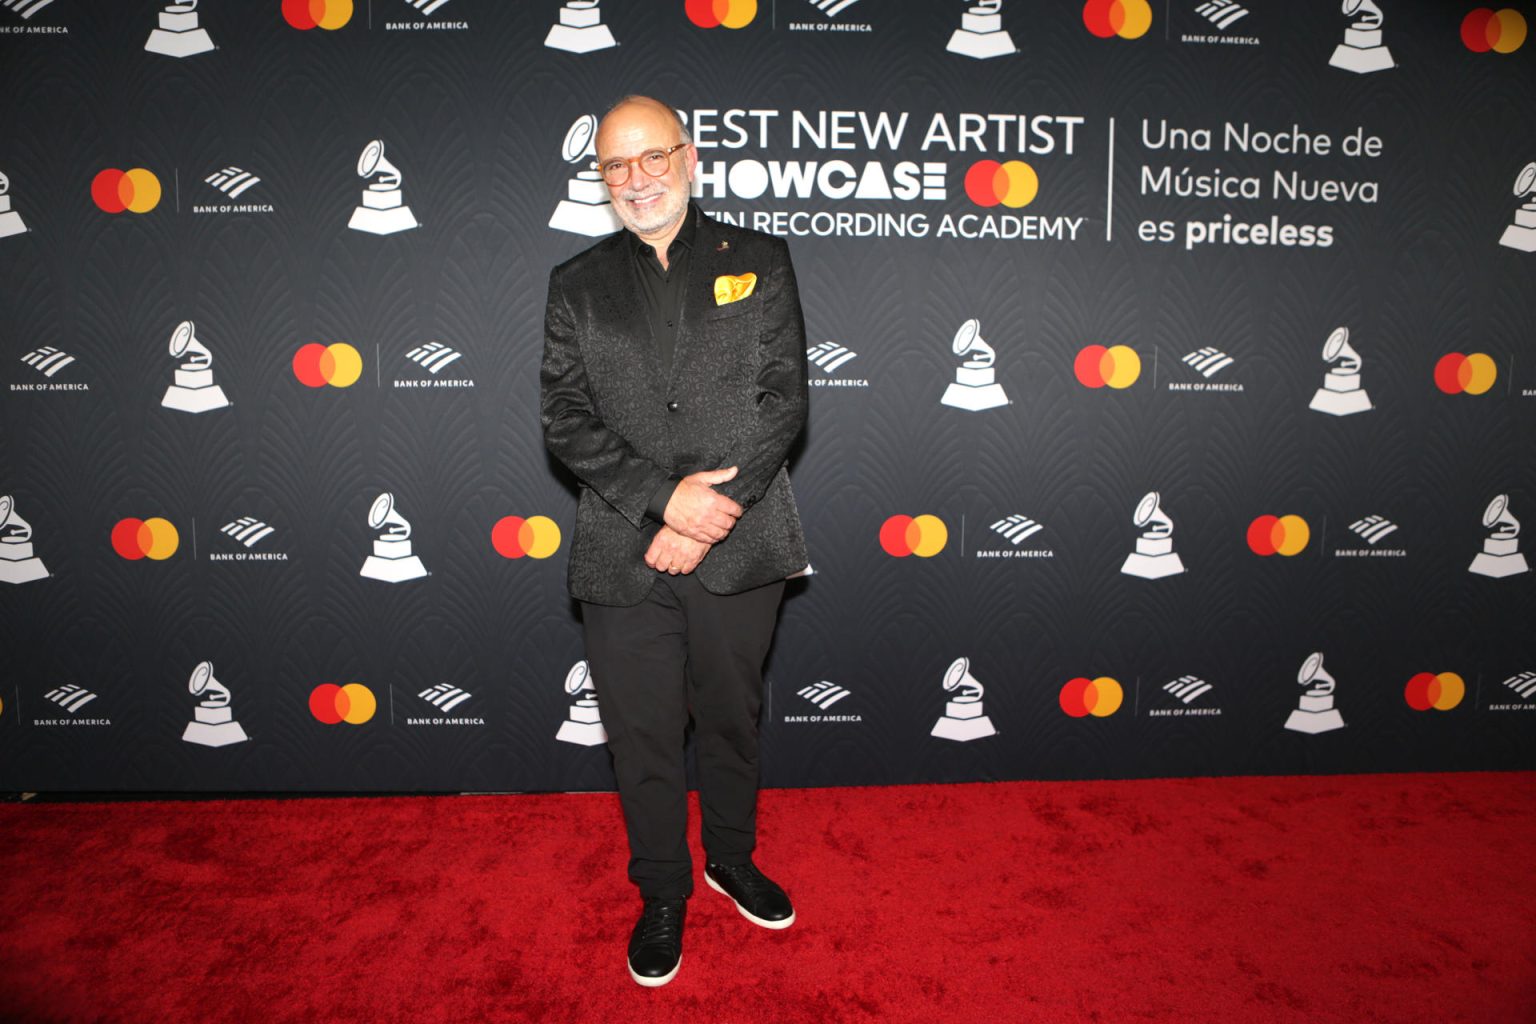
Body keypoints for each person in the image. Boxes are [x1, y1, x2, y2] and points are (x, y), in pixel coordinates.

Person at [539, 95, 809, 987]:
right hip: (622, 548)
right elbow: (566, 422)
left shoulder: (760, 259)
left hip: (741, 541)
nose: (636, 179)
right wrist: (664, 506)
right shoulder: (575, 284)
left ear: (688, 158)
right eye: (616, 166)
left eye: (652, 158)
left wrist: (707, 519)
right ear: (601, 178)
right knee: (643, 735)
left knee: (733, 718)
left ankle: (730, 857)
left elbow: (783, 404)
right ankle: (662, 891)